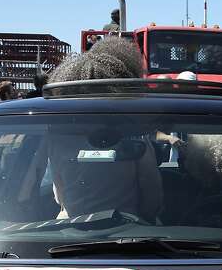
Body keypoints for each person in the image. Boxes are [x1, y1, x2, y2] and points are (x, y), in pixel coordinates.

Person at [46, 38, 162, 220]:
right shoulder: (133, 136)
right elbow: (152, 194)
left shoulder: (59, 138)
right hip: (129, 234)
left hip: (73, 232)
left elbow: (59, 196)